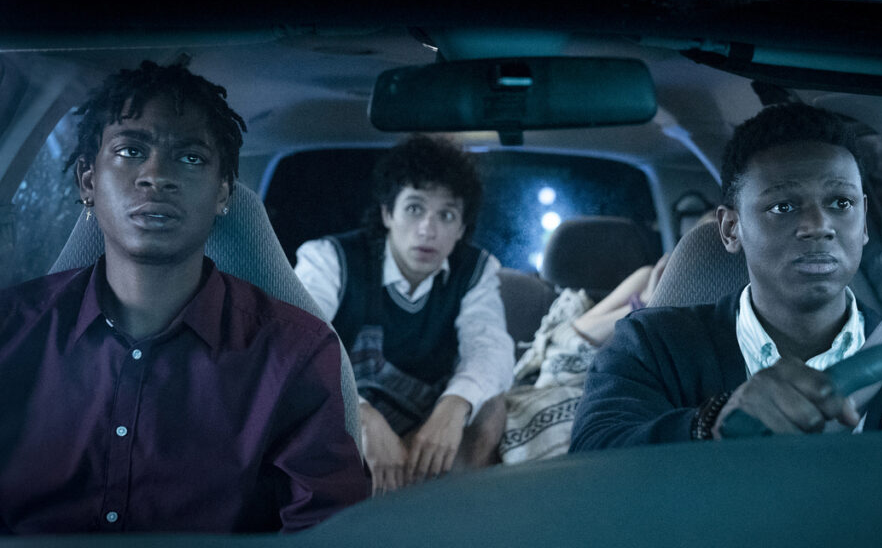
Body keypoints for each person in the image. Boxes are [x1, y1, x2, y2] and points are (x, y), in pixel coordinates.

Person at [0, 61, 370, 534]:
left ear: (222, 193)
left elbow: (330, 535)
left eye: (190, 157)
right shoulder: (11, 331)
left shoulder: (294, 353)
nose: (157, 176)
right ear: (88, 182)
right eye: (131, 150)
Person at [569, 103, 882, 451]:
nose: (818, 225)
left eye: (841, 204)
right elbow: (595, 451)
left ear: (864, 224)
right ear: (731, 229)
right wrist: (710, 424)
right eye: (784, 206)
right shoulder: (655, 344)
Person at [294, 135, 514, 494]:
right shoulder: (331, 259)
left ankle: (435, 517)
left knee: (489, 406)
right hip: (342, 415)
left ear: (460, 229)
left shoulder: (475, 271)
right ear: (387, 214)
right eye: (414, 208)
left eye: (446, 215)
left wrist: (454, 406)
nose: (428, 229)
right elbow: (296, 346)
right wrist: (360, 416)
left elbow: (490, 347)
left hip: (428, 425)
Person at [500, 256, 667, 464]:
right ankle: (642, 305)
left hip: (555, 373)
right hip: (566, 380)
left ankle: (641, 305)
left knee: (646, 276)